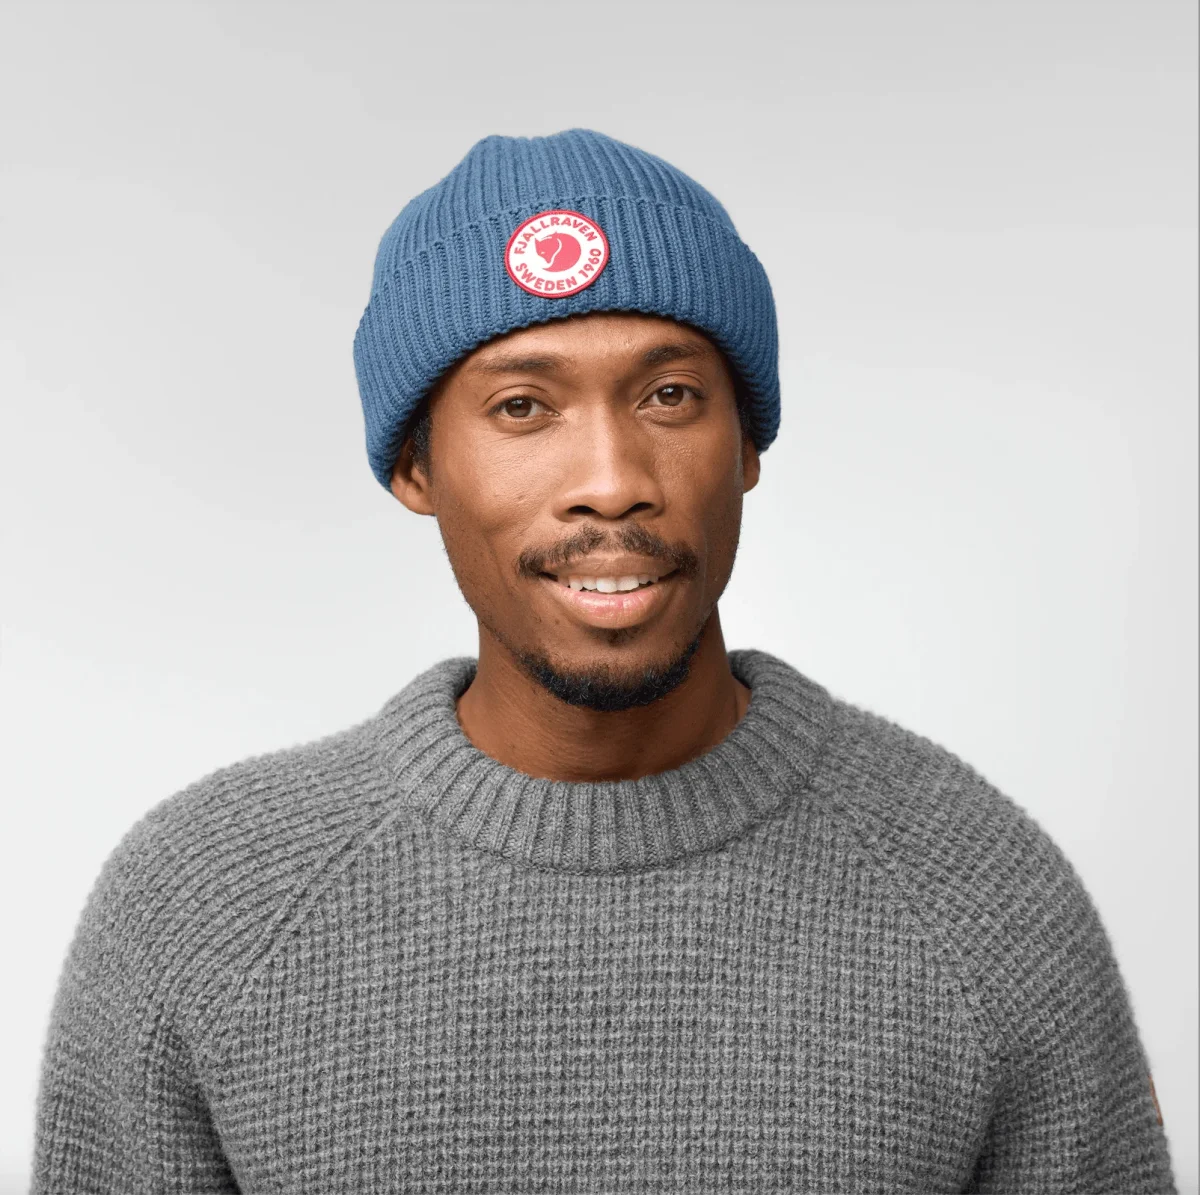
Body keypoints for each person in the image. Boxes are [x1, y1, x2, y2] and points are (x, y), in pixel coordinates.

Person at [31, 129, 1177, 1193]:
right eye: (523, 406)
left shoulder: (978, 894)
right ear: (416, 468)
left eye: (671, 396)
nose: (613, 479)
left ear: (748, 444)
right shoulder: (207, 908)